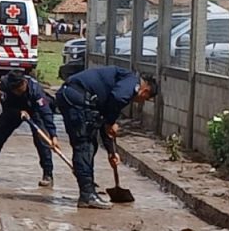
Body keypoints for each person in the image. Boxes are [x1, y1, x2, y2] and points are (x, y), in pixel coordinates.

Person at [55, 66, 158, 209]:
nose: (139, 102)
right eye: (144, 99)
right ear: (145, 91)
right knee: (85, 146)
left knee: (89, 144)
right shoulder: (131, 84)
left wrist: (111, 151)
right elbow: (116, 101)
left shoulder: (121, 84)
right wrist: (111, 122)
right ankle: (87, 196)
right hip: (77, 98)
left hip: (75, 97)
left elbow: (103, 120)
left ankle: (88, 192)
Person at [0, 69, 57, 188]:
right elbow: (5, 106)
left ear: (24, 83)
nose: (17, 92)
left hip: (34, 109)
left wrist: (53, 134)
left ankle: (48, 173)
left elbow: (46, 112)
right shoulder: (5, 85)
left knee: (42, 140)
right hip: (12, 109)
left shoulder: (35, 90)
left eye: (19, 89)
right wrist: (17, 112)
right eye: (14, 90)